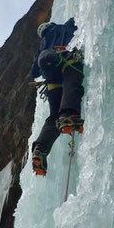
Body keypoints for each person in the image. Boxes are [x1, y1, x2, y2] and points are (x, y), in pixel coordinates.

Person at [30, 18, 84, 176]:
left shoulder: (41, 46)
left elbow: (34, 72)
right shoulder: (60, 28)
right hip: (60, 56)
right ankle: (68, 116)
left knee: (54, 115)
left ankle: (40, 149)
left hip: (48, 70)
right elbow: (76, 23)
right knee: (72, 79)